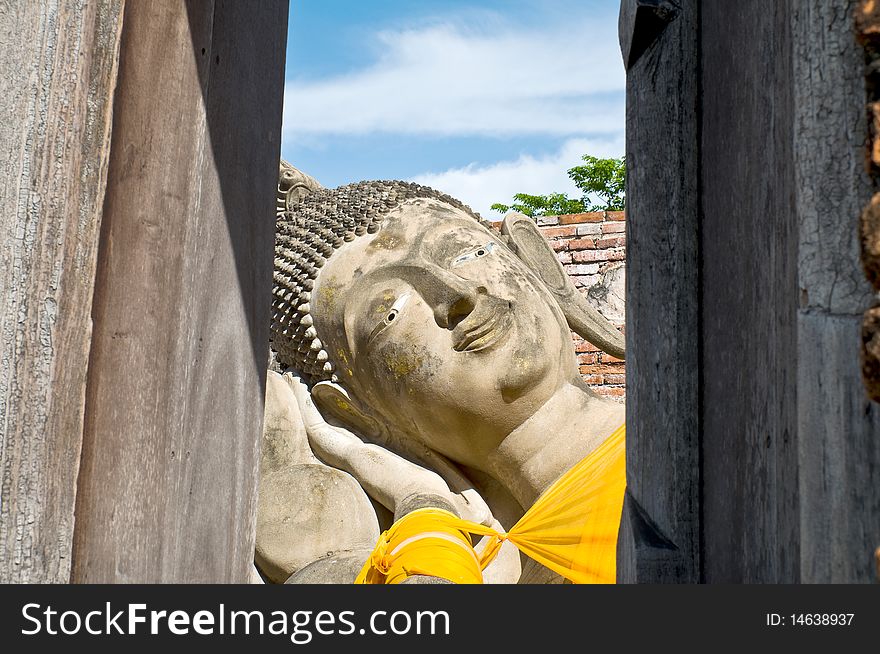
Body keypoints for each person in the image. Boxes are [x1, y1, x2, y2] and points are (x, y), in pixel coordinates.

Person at [256, 167, 625, 584]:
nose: (459, 295)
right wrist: (424, 504)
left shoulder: (691, 451)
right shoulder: (474, 559)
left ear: (537, 263)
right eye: (390, 312)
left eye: (469, 253)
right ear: (355, 412)